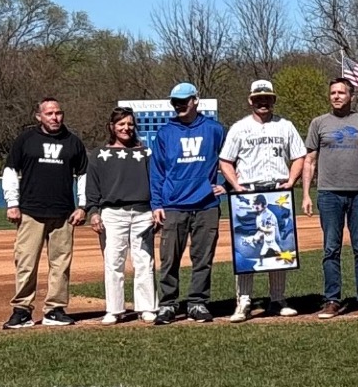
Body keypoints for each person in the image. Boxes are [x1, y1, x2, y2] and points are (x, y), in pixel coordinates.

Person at [219, 79, 308, 321]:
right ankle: (244, 301)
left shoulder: (285, 126)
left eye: (267, 98)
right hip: (248, 192)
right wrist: (236, 185)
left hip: (278, 191)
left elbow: (299, 155)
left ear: (274, 100)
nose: (263, 102)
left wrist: (291, 180)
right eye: (258, 98)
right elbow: (225, 160)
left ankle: (277, 299)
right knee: (245, 250)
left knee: (278, 243)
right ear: (250, 100)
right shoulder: (239, 128)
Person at [1, 97, 88, 328]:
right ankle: (21, 310)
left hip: (63, 214)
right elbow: (10, 170)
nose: (54, 117)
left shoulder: (73, 142)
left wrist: (82, 206)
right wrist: (12, 203)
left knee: (61, 264)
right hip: (31, 212)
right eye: (49, 113)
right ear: (39, 116)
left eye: (58, 113)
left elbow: (83, 176)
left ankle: (55, 310)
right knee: (26, 263)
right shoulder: (26, 140)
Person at [151, 83, 228, 323]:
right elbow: (157, 171)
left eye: (184, 101)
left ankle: (198, 302)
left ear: (196, 100)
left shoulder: (214, 129)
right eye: (175, 102)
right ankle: (167, 305)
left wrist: (224, 184)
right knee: (169, 259)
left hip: (206, 205)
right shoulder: (165, 133)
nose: (179, 106)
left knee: (202, 259)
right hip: (173, 205)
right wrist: (157, 204)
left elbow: (228, 159)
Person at [303, 78, 358, 318]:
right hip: (329, 194)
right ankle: (332, 300)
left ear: (351, 95)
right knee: (330, 249)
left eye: (341, 92)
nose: (336, 96)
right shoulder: (319, 123)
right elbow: (310, 161)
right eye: (333, 93)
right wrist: (306, 194)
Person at [85, 107, 155, 325]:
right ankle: (114, 309)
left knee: (144, 261)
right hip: (112, 213)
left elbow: (155, 183)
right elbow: (92, 187)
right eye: (121, 124)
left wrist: (156, 210)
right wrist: (93, 212)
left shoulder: (146, 153)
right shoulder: (98, 155)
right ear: (112, 127)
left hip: (143, 211)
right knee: (113, 262)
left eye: (130, 124)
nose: (126, 128)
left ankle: (146, 307)